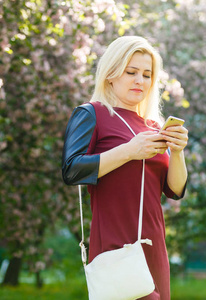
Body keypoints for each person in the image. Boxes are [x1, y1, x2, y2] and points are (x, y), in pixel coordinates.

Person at [62, 36, 188, 300]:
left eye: (146, 74)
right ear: (111, 74)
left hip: (153, 245)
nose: (139, 81)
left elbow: (174, 191)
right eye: (131, 72)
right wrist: (129, 151)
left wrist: (177, 152)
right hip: (115, 245)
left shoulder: (153, 127)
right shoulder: (91, 114)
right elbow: (71, 170)